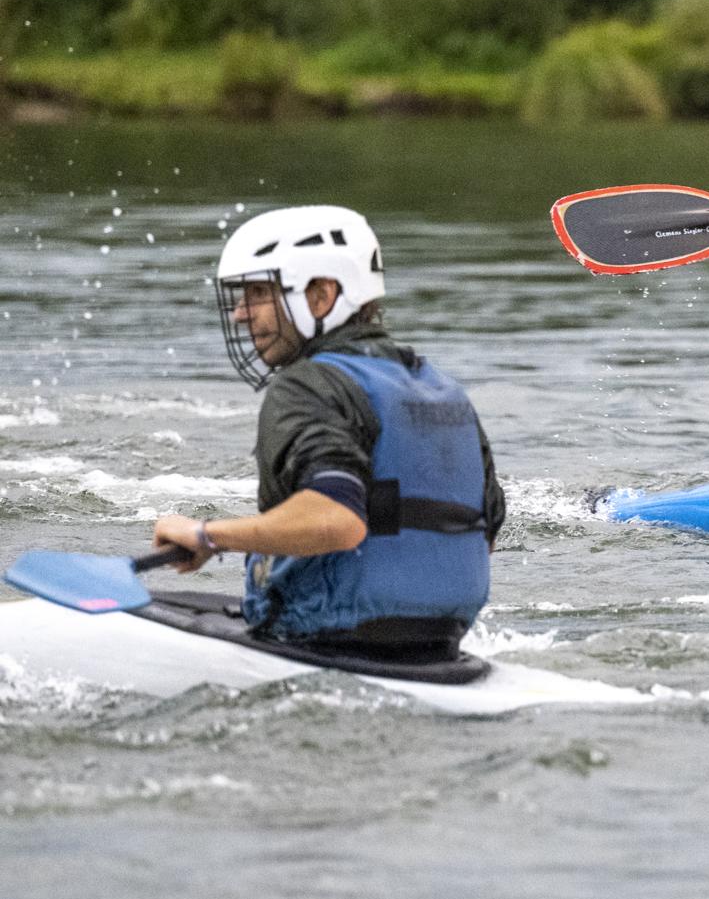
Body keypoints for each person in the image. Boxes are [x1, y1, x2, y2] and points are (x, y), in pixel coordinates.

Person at [150, 205, 505, 659]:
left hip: (323, 641)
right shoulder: (443, 388)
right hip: (441, 647)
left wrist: (205, 535)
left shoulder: (305, 385)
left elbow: (335, 519)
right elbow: (484, 534)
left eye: (258, 293)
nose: (241, 314)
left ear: (321, 296)